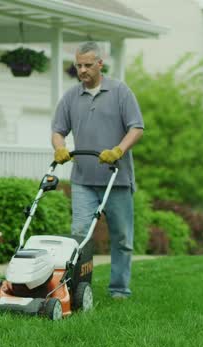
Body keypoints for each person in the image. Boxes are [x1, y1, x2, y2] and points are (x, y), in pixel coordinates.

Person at [51, 41, 144, 299]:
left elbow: (136, 128)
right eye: (78, 65)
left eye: (88, 65)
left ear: (100, 64)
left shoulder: (120, 92)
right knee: (80, 236)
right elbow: (58, 130)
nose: (82, 70)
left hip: (117, 180)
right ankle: (79, 289)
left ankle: (119, 290)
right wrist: (59, 147)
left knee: (122, 238)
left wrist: (118, 150)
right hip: (83, 180)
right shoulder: (71, 96)